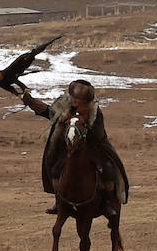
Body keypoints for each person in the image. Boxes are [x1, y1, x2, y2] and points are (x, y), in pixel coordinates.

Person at [18, 79, 128, 217]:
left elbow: (98, 135)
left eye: (77, 98)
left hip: (92, 147)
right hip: (68, 147)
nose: (74, 100)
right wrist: (31, 102)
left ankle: (107, 203)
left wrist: (83, 127)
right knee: (55, 168)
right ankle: (59, 202)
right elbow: (49, 112)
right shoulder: (64, 105)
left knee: (108, 170)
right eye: (73, 97)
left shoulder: (94, 112)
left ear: (84, 100)